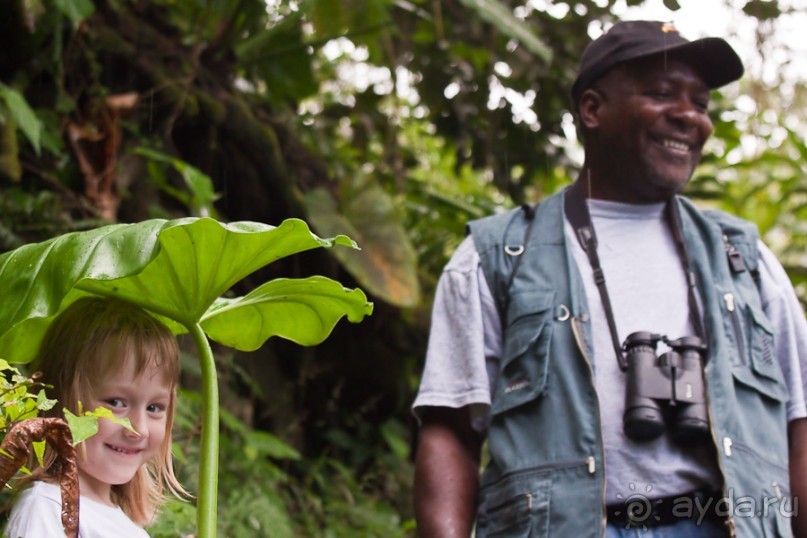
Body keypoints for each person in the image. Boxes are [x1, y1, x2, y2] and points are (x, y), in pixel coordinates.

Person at [413, 20, 807, 538]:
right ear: (593, 110)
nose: (691, 117)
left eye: (702, 103)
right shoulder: (498, 254)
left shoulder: (744, 259)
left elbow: (799, 423)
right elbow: (451, 432)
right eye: (663, 93)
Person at [4, 297, 188, 537]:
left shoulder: (129, 528)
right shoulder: (47, 507)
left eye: (154, 408)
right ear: (58, 403)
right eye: (116, 403)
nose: (139, 429)